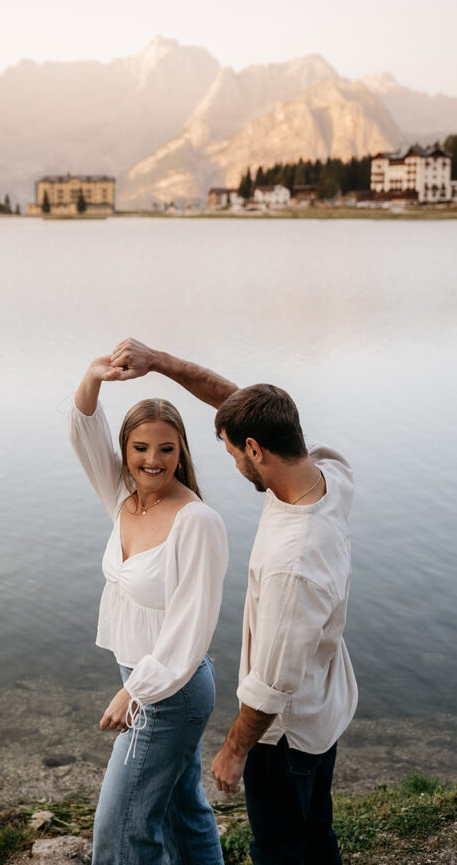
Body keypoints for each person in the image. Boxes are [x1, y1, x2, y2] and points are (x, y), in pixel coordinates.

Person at [107, 338, 358, 865]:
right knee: (317, 837)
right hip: (326, 708)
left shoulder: (293, 561)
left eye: (233, 453)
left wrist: (234, 750)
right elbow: (239, 406)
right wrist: (163, 363)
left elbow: (272, 683)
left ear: (256, 449)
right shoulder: (328, 474)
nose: (232, 463)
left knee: (278, 849)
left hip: (284, 736)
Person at [68, 353, 228, 865]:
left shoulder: (196, 521)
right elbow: (84, 433)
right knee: (184, 815)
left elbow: (192, 627)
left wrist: (135, 691)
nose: (152, 460)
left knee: (121, 833)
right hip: (145, 677)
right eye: (139, 448)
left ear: (182, 451)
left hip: (169, 692)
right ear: (127, 450)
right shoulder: (123, 497)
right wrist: (94, 377)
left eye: (165, 448)